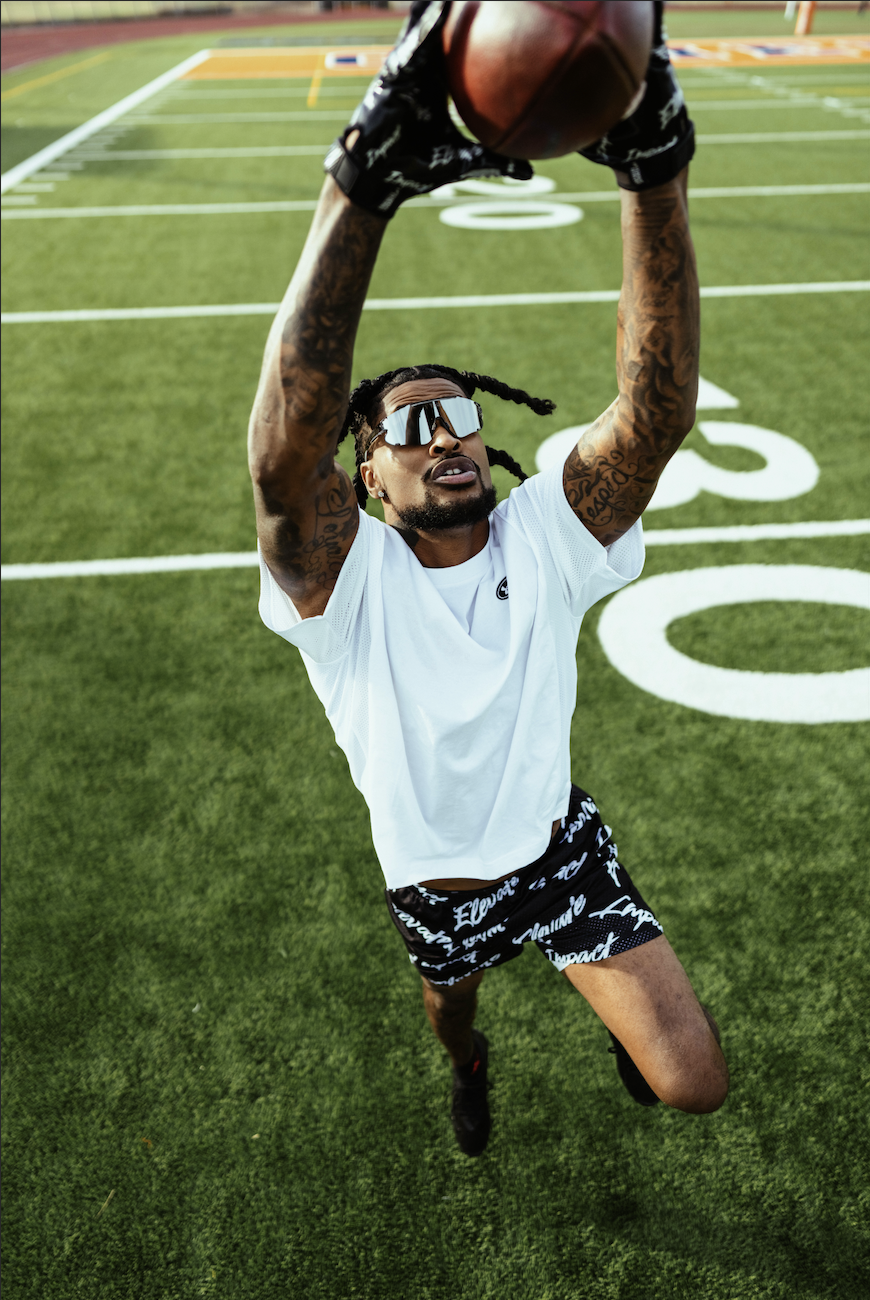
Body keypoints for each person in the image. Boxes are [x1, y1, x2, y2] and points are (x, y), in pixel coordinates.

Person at [248, 1, 729, 1157]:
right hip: (438, 888)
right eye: (412, 427)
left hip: (558, 850)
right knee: (448, 1013)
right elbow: (279, 459)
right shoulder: (346, 589)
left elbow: (654, 417)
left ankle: (605, 1006)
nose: (449, 435)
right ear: (366, 477)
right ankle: (469, 1062)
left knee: (696, 1083)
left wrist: (653, 172)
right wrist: (363, 180)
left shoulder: (542, 533)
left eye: (460, 414)